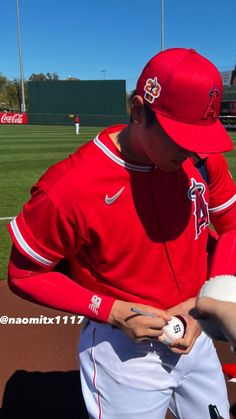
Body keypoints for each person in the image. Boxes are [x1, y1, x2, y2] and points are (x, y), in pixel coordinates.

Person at [7, 48, 236, 419]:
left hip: (197, 331)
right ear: (138, 110)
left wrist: (207, 301)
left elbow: (232, 226)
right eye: (180, 135)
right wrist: (110, 311)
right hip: (124, 351)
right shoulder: (69, 188)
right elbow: (23, 273)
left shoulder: (202, 159)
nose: (192, 148)